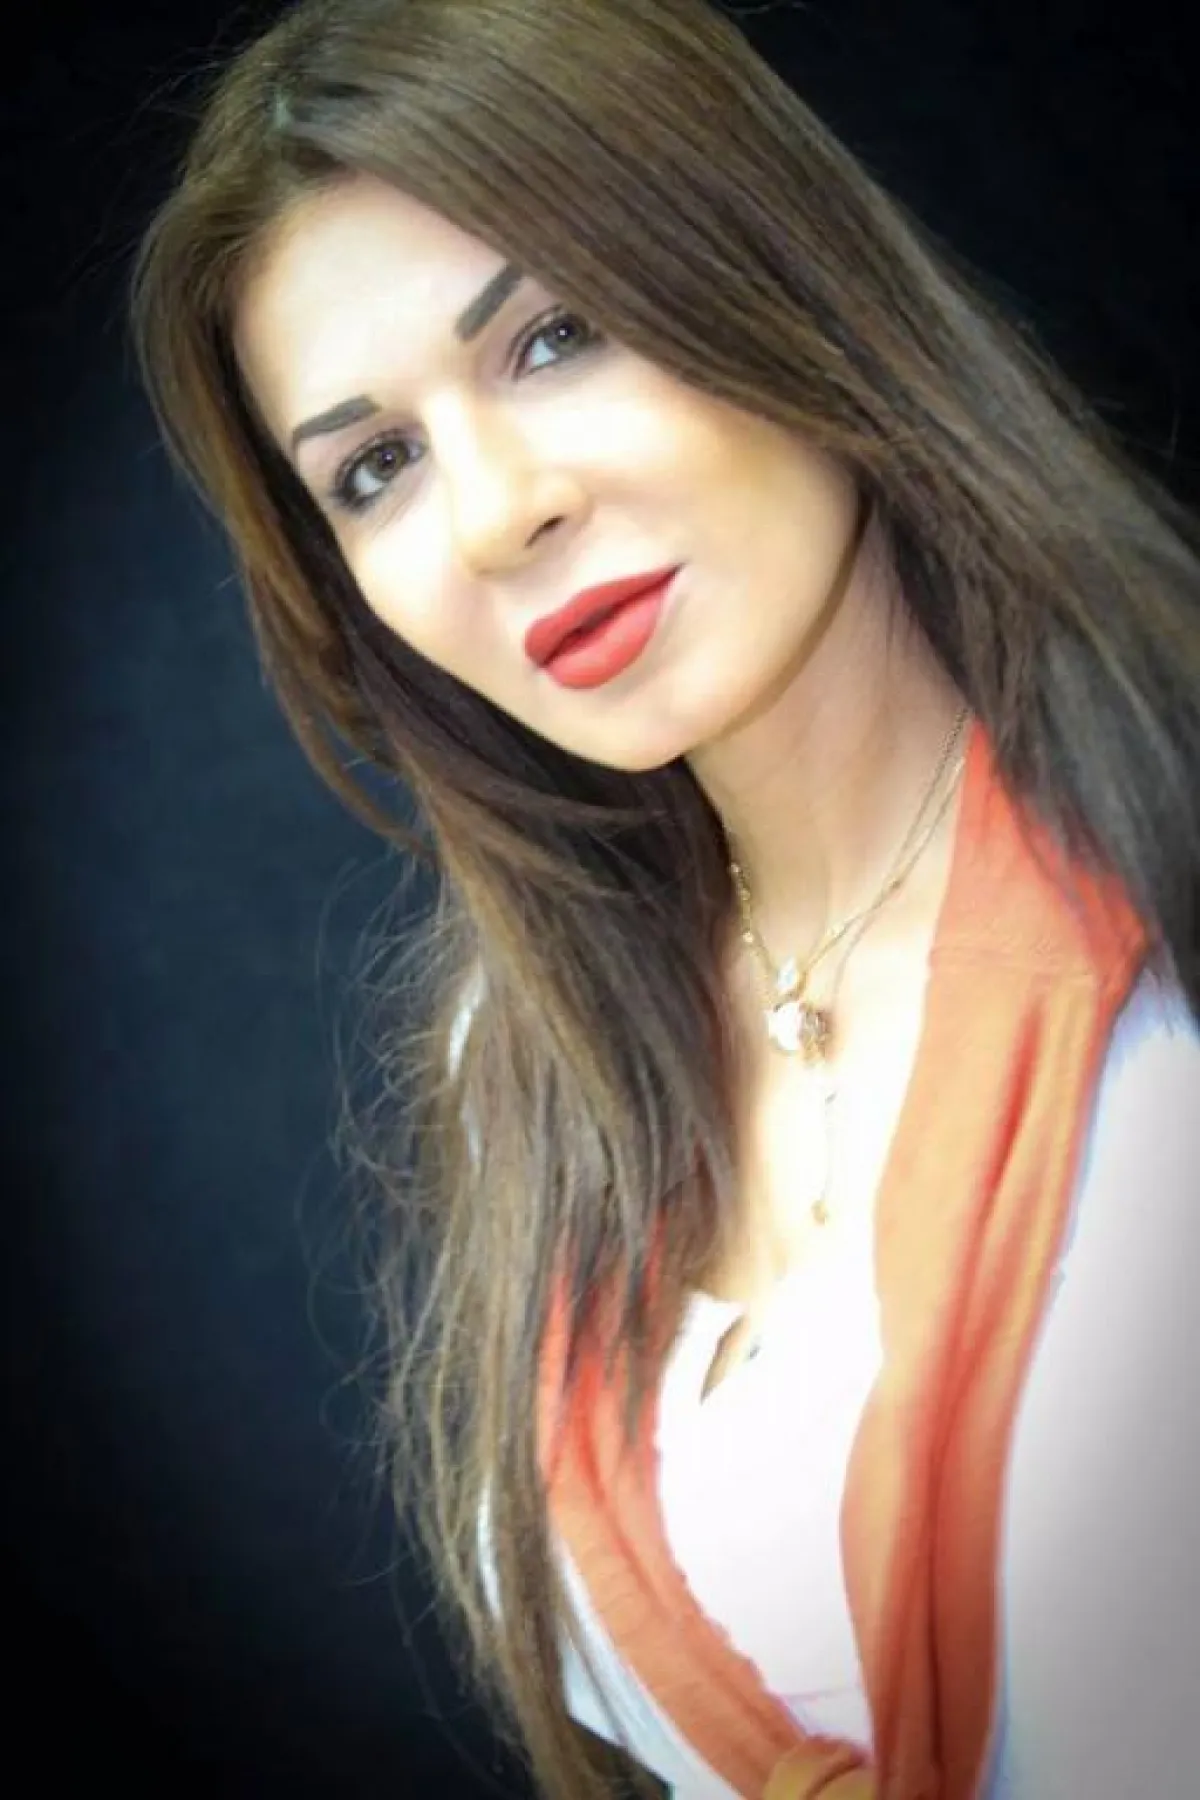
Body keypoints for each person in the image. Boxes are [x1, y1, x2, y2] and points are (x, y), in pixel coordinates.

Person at [128, 1, 1200, 1795]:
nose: (496, 513)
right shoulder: (524, 1053)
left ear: (774, 269)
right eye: (374, 467)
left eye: (554, 336)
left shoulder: (1161, 878)